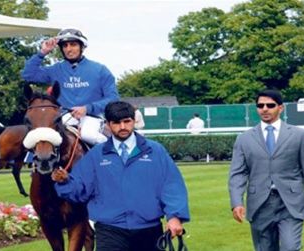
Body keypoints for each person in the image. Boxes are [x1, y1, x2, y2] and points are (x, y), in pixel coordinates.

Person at [52, 101, 190, 251]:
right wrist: (65, 181)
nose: (122, 127)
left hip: (149, 229)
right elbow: (81, 189)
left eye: (127, 121)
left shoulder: (155, 151)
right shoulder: (96, 155)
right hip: (110, 230)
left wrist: (174, 216)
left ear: (134, 120)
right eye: (117, 123)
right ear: (108, 124)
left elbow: (171, 185)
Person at [228, 90, 304, 251]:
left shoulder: (299, 135)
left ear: (280, 108)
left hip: (291, 204)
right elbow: (237, 173)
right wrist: (236, 202)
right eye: (260, 105)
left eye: (270, 105)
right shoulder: (244, 138)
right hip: (259, 204)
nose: (265, 109)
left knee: (290, 247)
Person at [21, 27, 119, 145]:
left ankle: (111, 155)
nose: (69, 49)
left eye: (73, 44)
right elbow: (28, 75)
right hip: (63, 117)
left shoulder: (100, 70)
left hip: (92, 117)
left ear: (82, 47)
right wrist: (42, 53)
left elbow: (113, 98)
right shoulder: (55, 69)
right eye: (65, 46)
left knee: (89, 135)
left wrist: (87, 108)